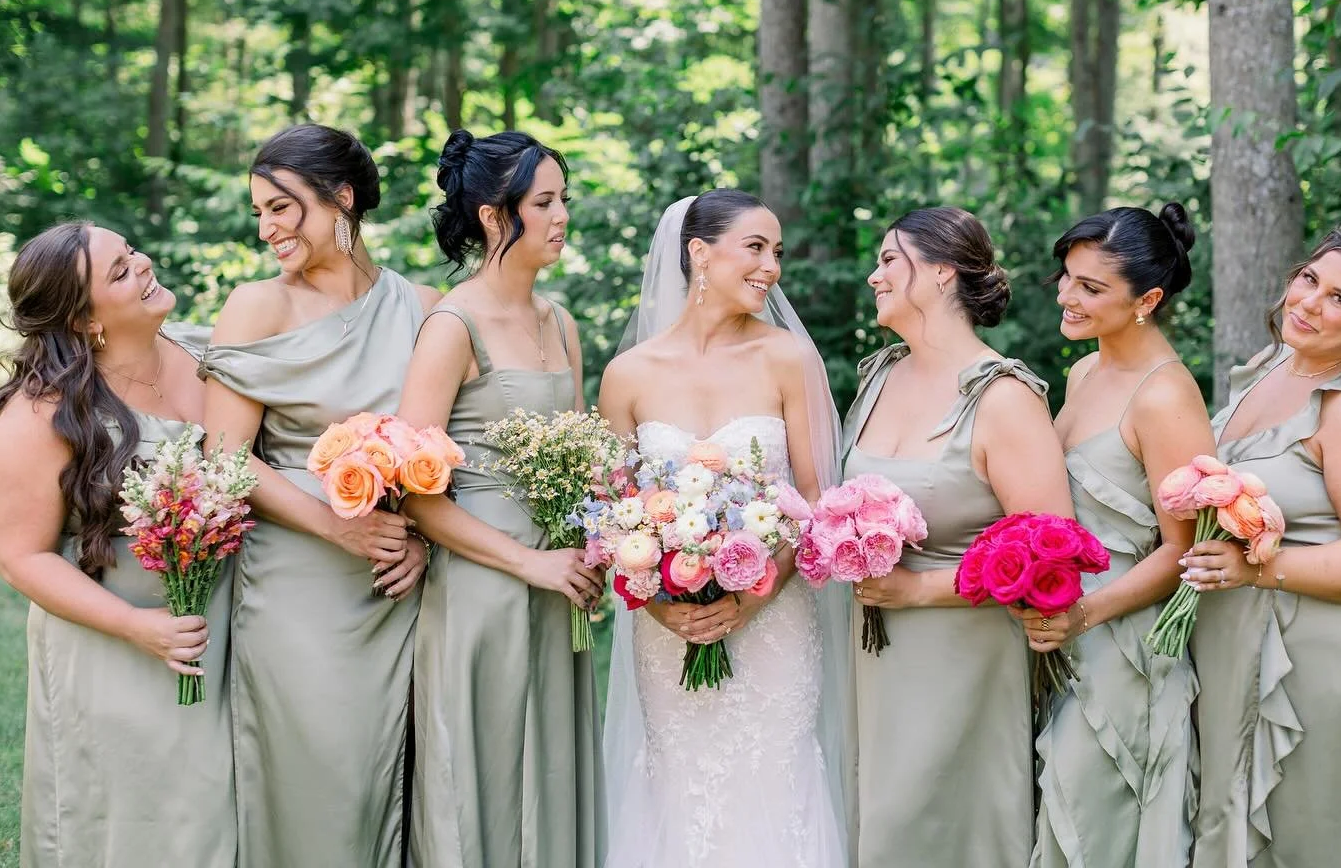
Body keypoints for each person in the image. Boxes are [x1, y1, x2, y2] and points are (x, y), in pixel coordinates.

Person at [202, 124, 435, 867]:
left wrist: (422, 541)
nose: (267, 229)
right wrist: (338, 532)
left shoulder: (425, 308)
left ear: (340, 199)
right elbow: (226, 460)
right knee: (314, 772)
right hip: (297, 578)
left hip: (395, 582)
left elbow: (441, 453)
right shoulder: (257, 306)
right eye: (259, 213)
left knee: (394, 776)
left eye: (281, 208)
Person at [598, 189, 849, 867]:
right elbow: (610, 517)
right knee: (680, 789)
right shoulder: (628, 376)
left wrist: (754, 597)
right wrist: (658, 603)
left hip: (774, 622)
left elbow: (813, 498)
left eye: (778, 253)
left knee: (776, 784)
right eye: (756, 248)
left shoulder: (788, 358)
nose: (771, 267)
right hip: (667, 630)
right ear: (699, 254)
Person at [1183, 221, 1341, 867]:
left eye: (1339, 300)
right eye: (1309, 279)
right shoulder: (1266, 371)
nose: (1307, 302)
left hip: (1322, 669)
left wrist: (1256, 570)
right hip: (1237, 647)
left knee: (1318, 839)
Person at [0, 222, 236, 867]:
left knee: (216, 813)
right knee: (131, 818)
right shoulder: (40, 413)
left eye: (132, 251)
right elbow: (22, 556)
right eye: (120, 271)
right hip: (112, 646)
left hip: (216, 632)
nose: (144, 264)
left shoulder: (203, 356)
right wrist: (137, 626)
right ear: (82, 320)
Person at [841, 207, 1070, 868]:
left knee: (938, 824)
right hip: (871, 649)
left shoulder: (1002, 397)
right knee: (878, 819)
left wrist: (917, 589)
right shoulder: (879, 374)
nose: (874, 276)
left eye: (889, 260)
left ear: (941, 273)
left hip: (962, 651)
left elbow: (1048, 553)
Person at [400, 130, 605, 867]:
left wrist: (602, 545)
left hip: (560, 578)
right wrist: (526, 563)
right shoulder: (452, 325)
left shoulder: (561, 321)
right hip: (483, 581)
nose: (561, 218)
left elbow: (587, 462)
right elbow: (417, 496)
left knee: (552, 762)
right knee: (480, 773)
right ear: (494, 217)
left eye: (563, 201)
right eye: (544, 203)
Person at [1017, 203, 1210, 867]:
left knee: (1093, 825)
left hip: (1123, 645)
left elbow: (1184, 550)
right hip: (1059, 633)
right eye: (1067, 277)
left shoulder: (1165, 397)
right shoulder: (1085, 372)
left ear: (1147, 300)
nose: (1068, 296)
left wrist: (1087, 613)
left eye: (1092, 288)